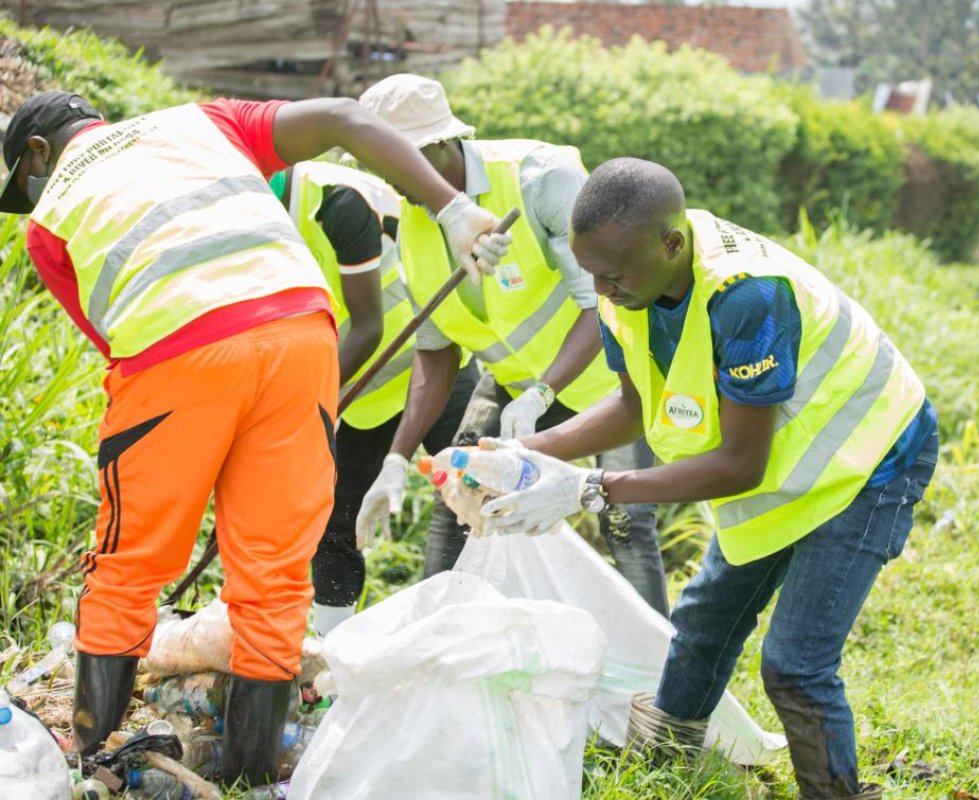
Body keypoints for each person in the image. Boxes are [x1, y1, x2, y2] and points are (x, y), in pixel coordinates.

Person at [0, 90, 506, 786]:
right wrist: (453, 208)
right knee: (272, 569)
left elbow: (117, 344)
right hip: (301, 334)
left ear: (36, 153)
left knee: (130, 562)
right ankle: (252, 773)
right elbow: (345, 119)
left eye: (25, 183)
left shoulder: (49, 217)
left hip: (174, 350)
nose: (33, 195)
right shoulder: (200, 121)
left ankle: (91, 759)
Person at [450, 158, 940, 799]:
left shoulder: (747, 295)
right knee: (704, 620)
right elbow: (633, 405)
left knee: (794, 665)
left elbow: (740, 465)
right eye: (590, 272)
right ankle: (664, 759)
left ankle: (835, 794)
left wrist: (589, 488)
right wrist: (529, 453)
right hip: (787, 461)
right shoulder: (626, 283)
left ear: (671, 244)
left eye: (613, 275)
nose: (599, 289)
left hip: (872, 458)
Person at [353, 75, 669, 615]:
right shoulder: (411, 223)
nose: (387, 180)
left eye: (390, 163)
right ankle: (438, 644)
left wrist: (543, 394)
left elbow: (604, 303)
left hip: (616, 378)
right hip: (516, 383)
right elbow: (436, 350)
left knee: (624, 519)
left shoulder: (540, 180)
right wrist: (397, 458)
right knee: (461, 493)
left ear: (435, 147)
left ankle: (663, 676)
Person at [268, 161, 479, 635]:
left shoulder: (332, 199)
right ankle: (333, 655)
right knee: (335, 523)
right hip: (360, 399)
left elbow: (369, 323)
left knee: (474, 502)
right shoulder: (261, 224)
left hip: (433, 367)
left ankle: (458, 637)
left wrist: (311, 404)